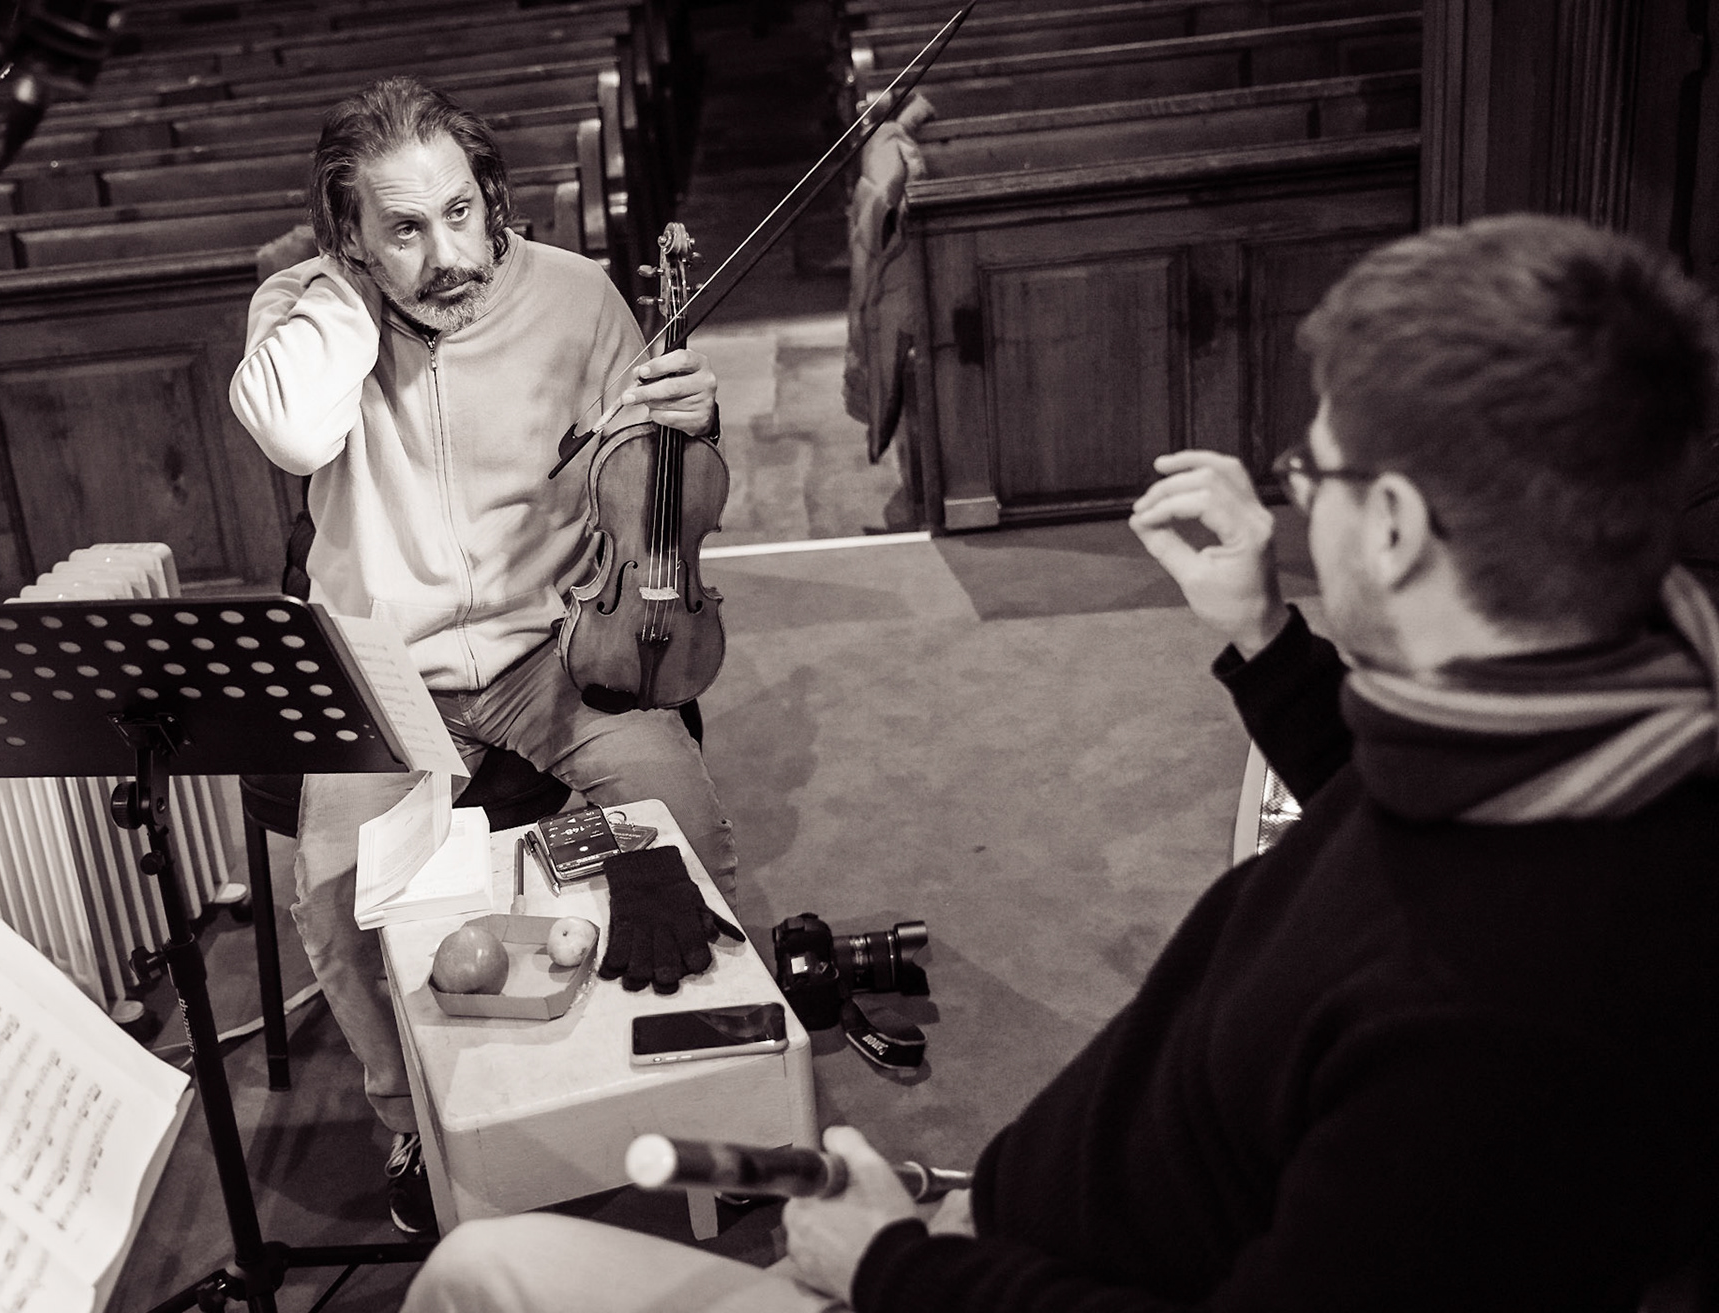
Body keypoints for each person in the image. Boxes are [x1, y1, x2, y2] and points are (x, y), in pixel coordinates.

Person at [400, 213, 1719, 1312]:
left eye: (1312, 469)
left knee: (477, 1273)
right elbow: (1382, 819)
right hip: (1016, 1226)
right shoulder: (1571, 731)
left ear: (1394, 527)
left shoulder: (1500, 1024)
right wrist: (1267, 637)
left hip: (973, 1280)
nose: (1294, 496)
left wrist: (889, 1264)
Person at [228, 76, 737, 1236]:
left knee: (679, 818)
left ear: (492, 194)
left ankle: (699, 1071)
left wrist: (690, 418)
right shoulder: (303, 309)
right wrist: (347, 292)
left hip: (555, 641)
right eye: (404, 228)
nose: (449, 255)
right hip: (384, 669)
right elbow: (297, 433)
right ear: (349, 232)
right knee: (335, 897)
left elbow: (660, 487)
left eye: (461, 212)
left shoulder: (576, 295)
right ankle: (410, 1114)